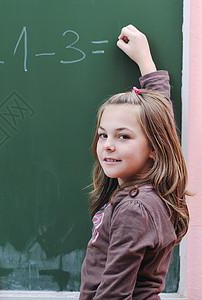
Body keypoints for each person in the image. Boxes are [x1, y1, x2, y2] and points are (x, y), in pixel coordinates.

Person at [79, 24, 190, 299]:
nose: (108, 145)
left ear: (154, 146)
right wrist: (145, 63)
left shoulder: (134, 209)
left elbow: (114, 295)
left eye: (123, 136)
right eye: (103, 134)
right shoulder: (157, 190)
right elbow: (159, 120)